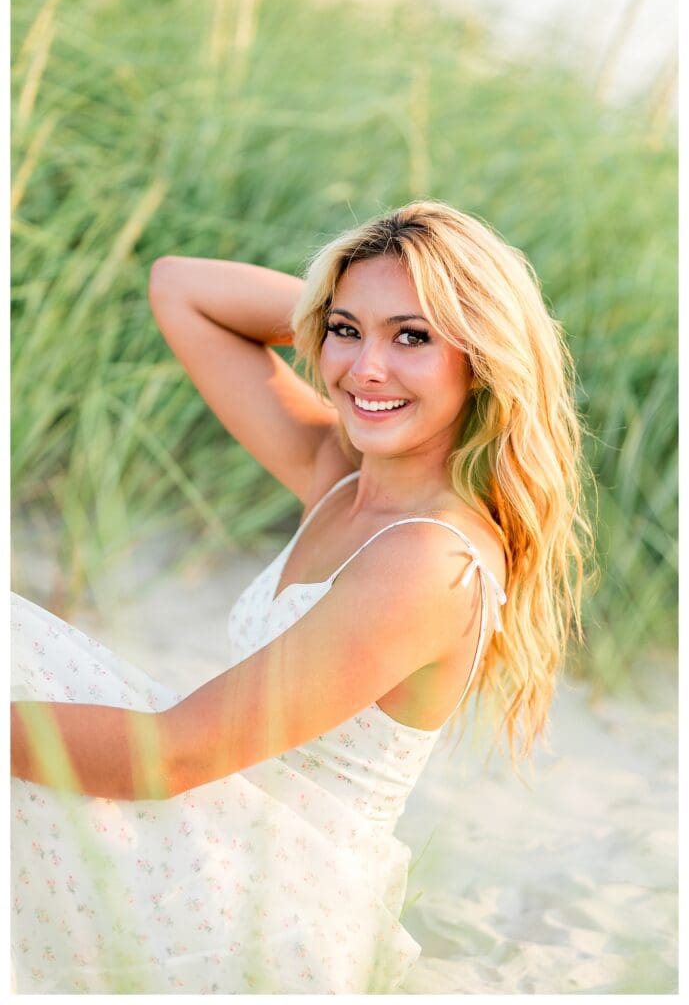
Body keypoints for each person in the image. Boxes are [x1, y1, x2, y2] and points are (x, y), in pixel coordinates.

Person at [10, 200, 594, 993]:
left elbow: (171, 754)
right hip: (213, 831)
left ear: (483, 357)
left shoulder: (427, 560)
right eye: (345, 331)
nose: (364, 370)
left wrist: (363, 326)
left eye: (413, 337)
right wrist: (344, 316)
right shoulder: (343, 473)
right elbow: (180, 287)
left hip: (263, 893)